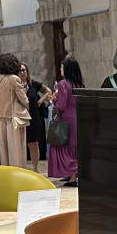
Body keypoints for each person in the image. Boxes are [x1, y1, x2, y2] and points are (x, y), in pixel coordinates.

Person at [46, 55, 82, 185]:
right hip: (77, 117)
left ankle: (72, 177)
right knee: (74, 147)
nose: (60, 69)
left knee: (63, 146)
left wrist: (54, 99)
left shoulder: (63, 84)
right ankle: (72, 175)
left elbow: (61, 105)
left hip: (66, 118)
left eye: (61, 67)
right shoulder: (79, 84)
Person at [0, 53, 31, 169]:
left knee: (4, 149)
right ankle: (18, 175)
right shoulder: (14, 79)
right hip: (14, 116)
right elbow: (24, 100)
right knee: (17, 150)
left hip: (0, 115)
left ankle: (7, 173)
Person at [19, 64, 51, 172]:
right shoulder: (16, 85)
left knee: (33, 143)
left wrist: (41, 101)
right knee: (21, 144)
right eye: (20, 71)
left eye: (24, 70)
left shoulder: (33, 84)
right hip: (20, 117)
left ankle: (35, 168)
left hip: (33, 117)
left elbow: (48, 91)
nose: (22, 72)